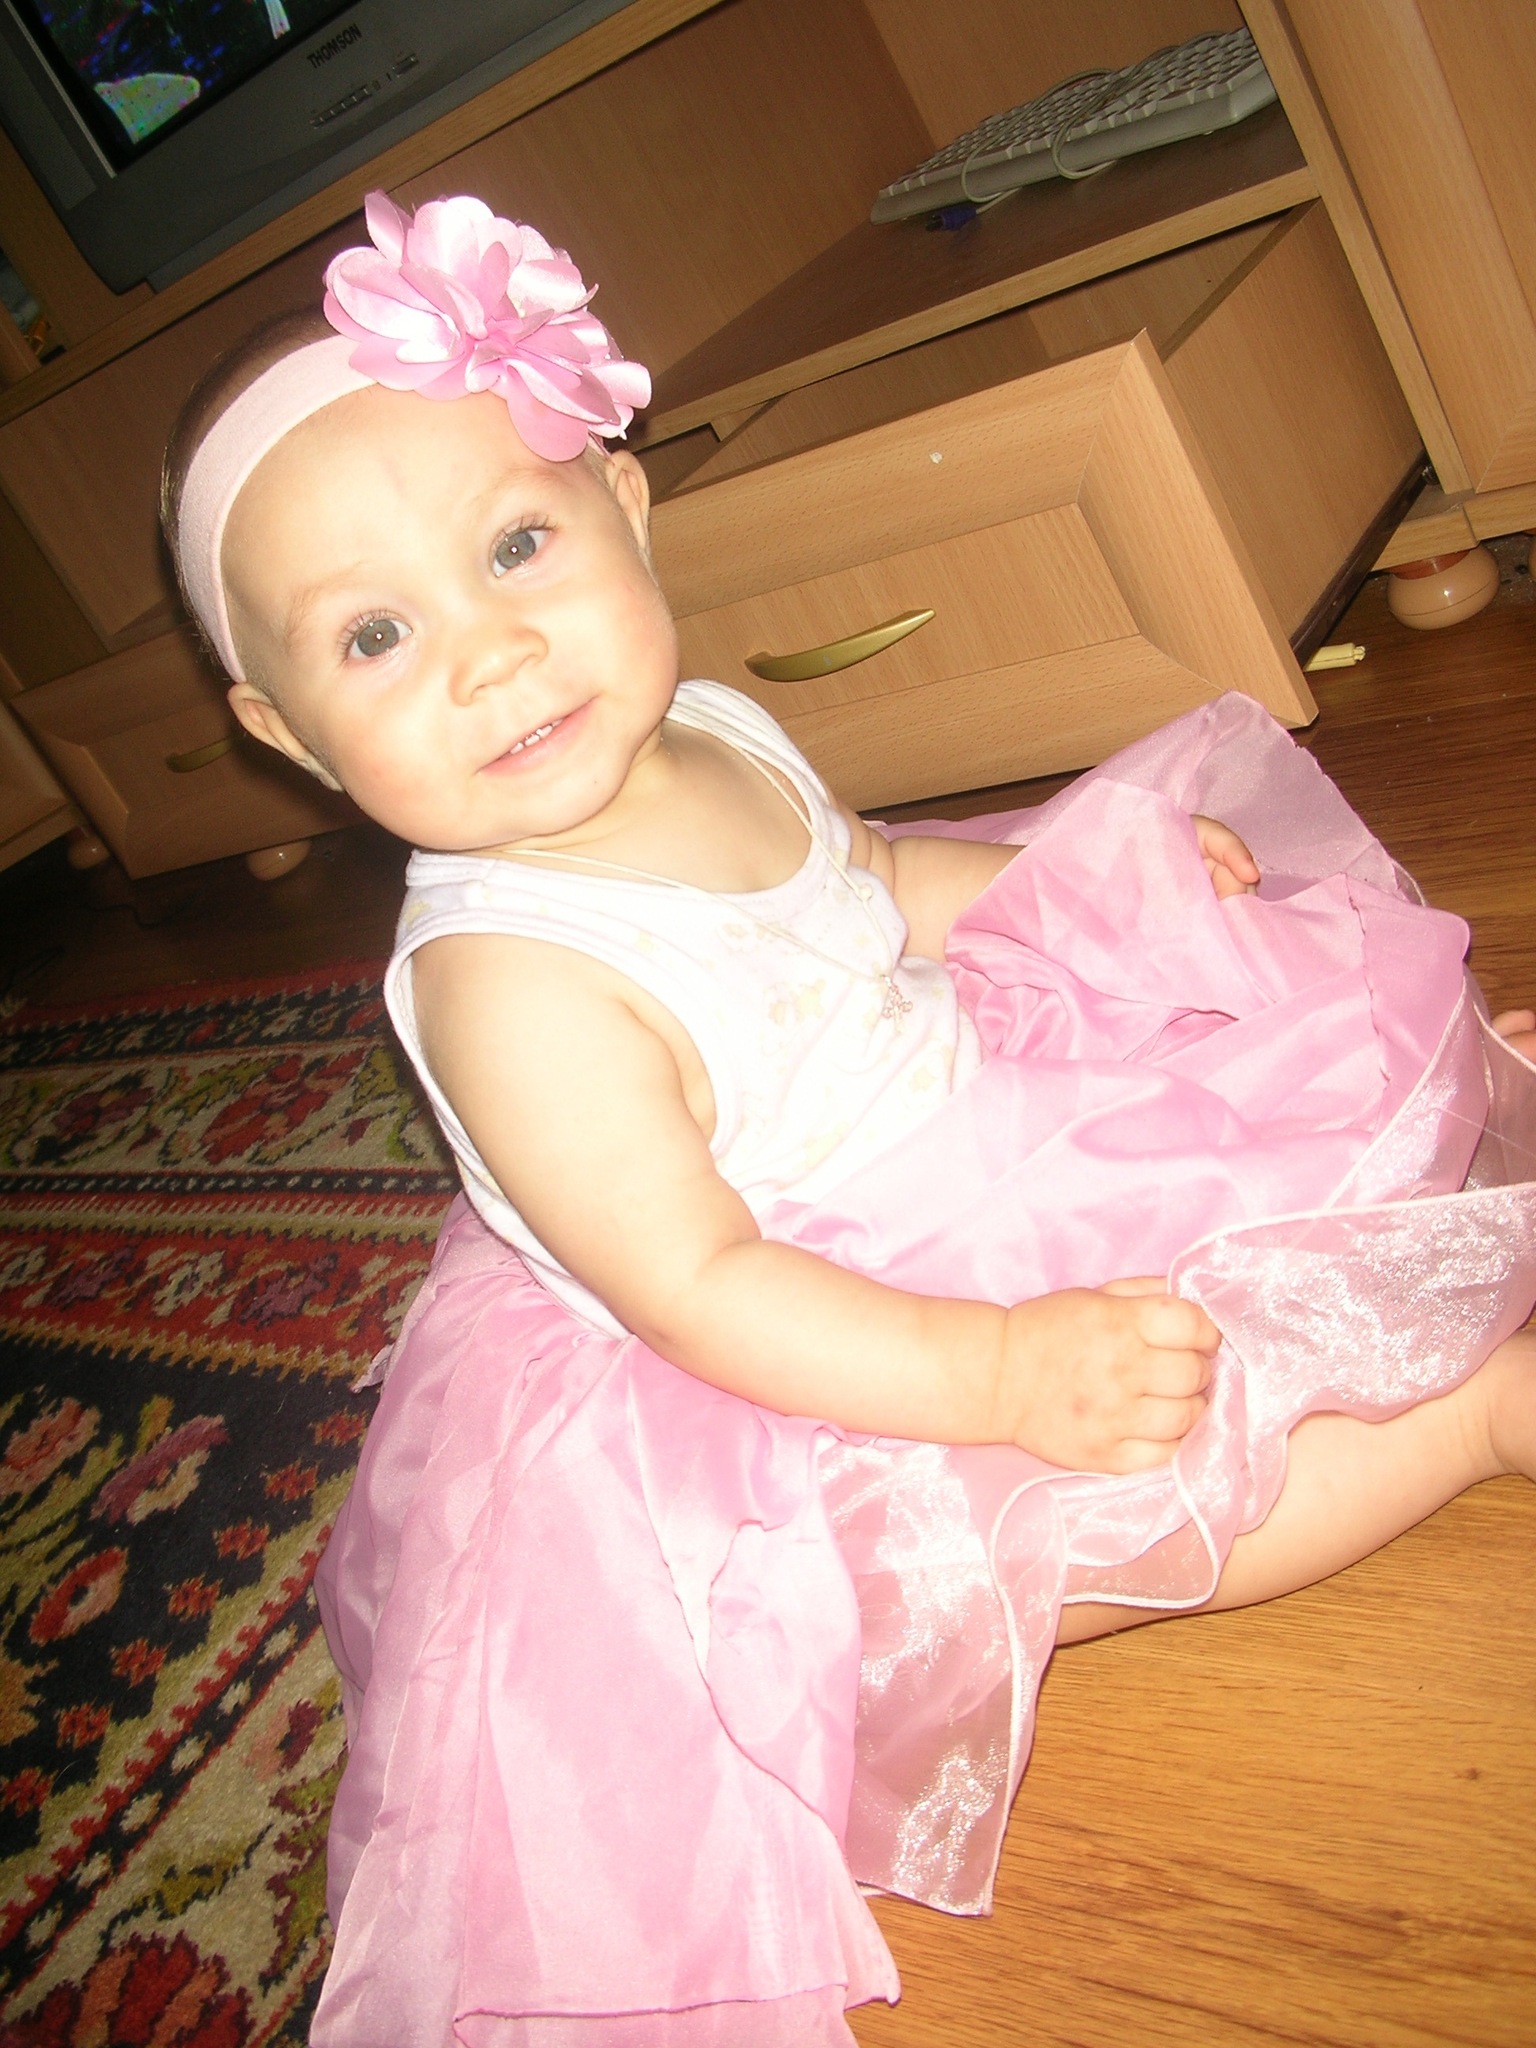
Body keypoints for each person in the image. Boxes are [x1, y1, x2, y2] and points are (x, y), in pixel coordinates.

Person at [162, 192, 1536, 2047]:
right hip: (781, 1331)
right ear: (285, 730)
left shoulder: (712, 729)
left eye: (517, 546)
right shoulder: (510, 988)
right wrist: (996, 1375)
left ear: (625, 510)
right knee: (1073, 1509)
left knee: (1250, 1028)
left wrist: (1088, 889)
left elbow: (872, 886)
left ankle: (1443, 1155)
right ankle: (1470, 1422)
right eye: (377, 636)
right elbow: (703, 1289)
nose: (490, 654)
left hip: (950, 1103)